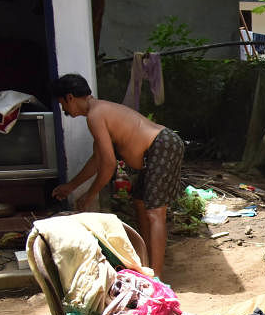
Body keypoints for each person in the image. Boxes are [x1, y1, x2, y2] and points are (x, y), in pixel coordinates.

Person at [50, 73, 183, 280]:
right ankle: (146, 266)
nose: (64, 110)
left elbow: (109, 165)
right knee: (140, 204)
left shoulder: (96, 115)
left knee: (155, 213)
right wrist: (72, 186)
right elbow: (97, 159)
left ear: (69, 97)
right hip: (155, 151)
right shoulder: (97, 113)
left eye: (62, 104)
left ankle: (156, 278)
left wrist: (89, 195)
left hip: (162, 145)